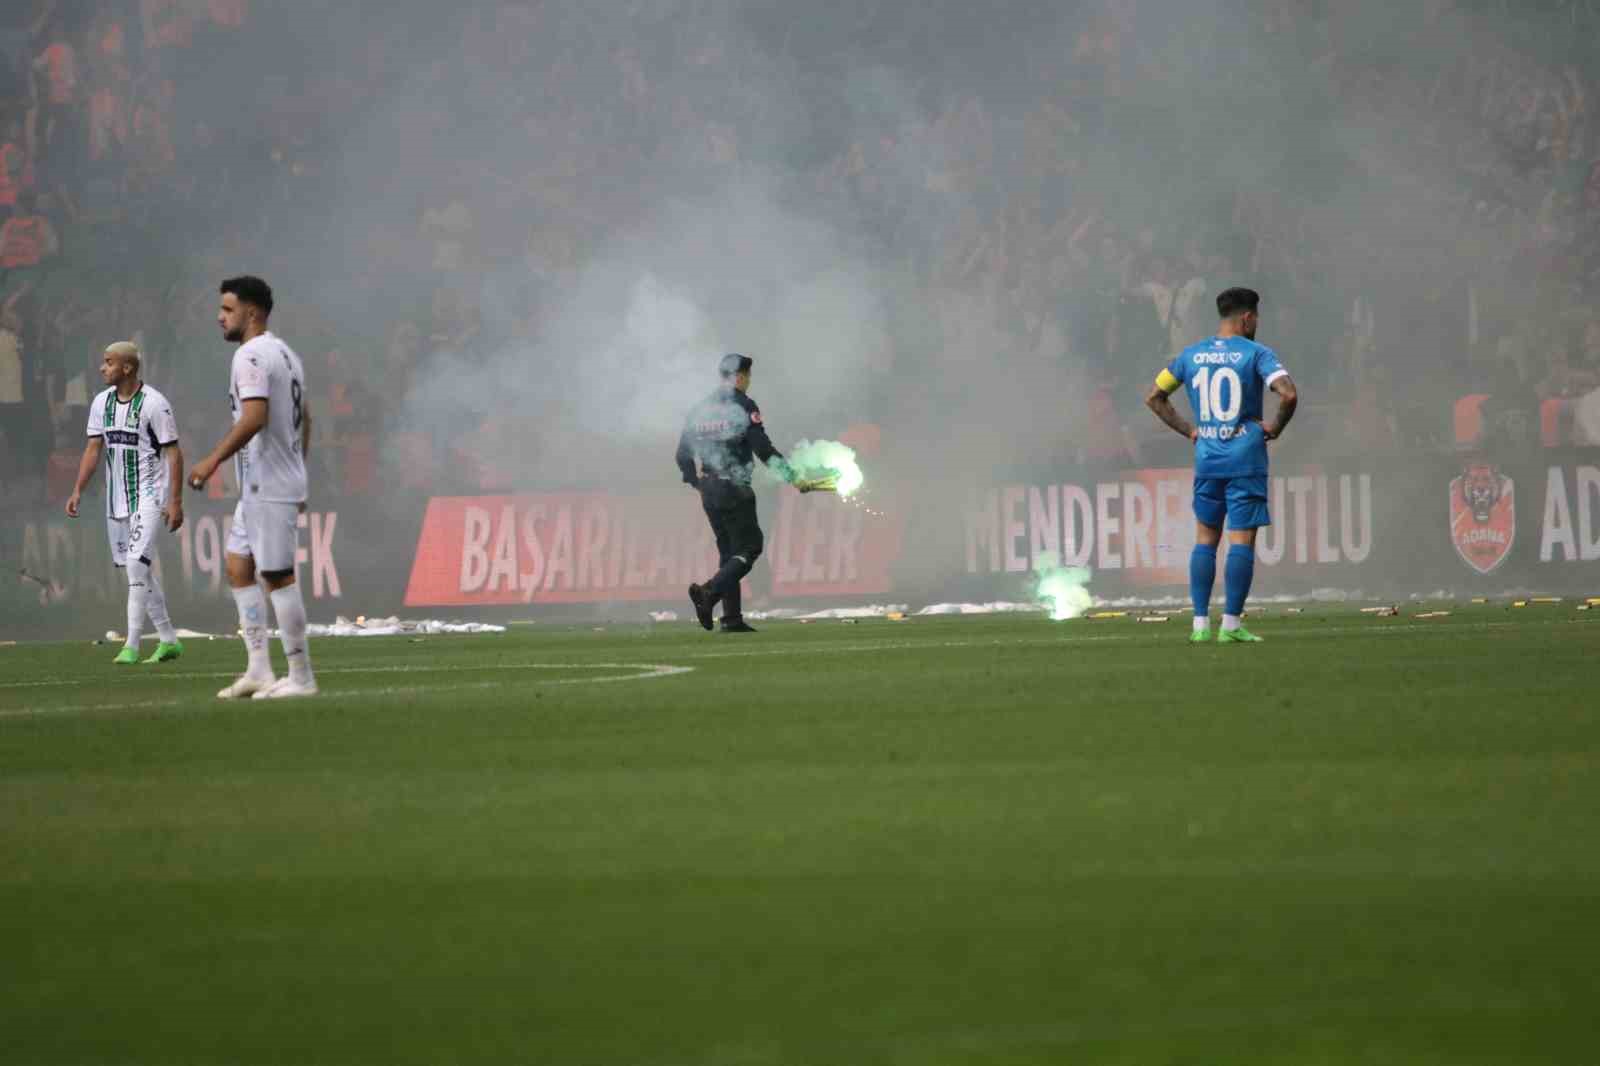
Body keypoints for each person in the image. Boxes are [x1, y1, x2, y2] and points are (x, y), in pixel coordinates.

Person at [187, 276, 318, 698]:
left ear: (252, 313)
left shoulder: (250, 355)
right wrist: (299, 469)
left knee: (277, 576)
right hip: (266, 483)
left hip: (269, 484)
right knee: (238, 568)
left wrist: (210, 461)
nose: (219, 317)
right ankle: (259, 668)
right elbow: (307, 418)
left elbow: (254, 417)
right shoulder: (285, 353)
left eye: (227, 309)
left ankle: (301, 677)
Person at [1145, 287, 1298, 643]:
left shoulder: (1190, 355)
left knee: (1205, 541)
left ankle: (1199, 625)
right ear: (1247, 318)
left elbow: (1154, 397)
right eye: (1256, 318)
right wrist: (1275, 427)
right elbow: (1288, 393)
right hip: (1245, 459)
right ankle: (1231, 625)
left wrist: (1190, 431)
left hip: (1208, 460)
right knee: (1241, 541)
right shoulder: (1257, 353)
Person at [675, 353, 831, 633]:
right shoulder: (743, 405)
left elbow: (682, 454)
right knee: (751, 547)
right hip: (734, 488)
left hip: (709, 490)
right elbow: (762, 449)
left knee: (728, 552)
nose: (748, 382)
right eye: (747, 377)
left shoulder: (700, 408)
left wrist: (697, 483)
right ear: (739, 376)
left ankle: (731, 619)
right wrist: (793, 477)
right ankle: (709, 593)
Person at [65, 342, 185, 664]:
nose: (102, 368)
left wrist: (175, 501)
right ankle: (169, 638)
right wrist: (78, 489)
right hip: (115, 499)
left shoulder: (155, 404)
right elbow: (93, 449)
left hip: (147, 495)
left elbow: (174, 453)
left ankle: (131, 645)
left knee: (135, 565)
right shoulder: (101, 403)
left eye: (108, 362)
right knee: (138, 570)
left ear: (127, 368)